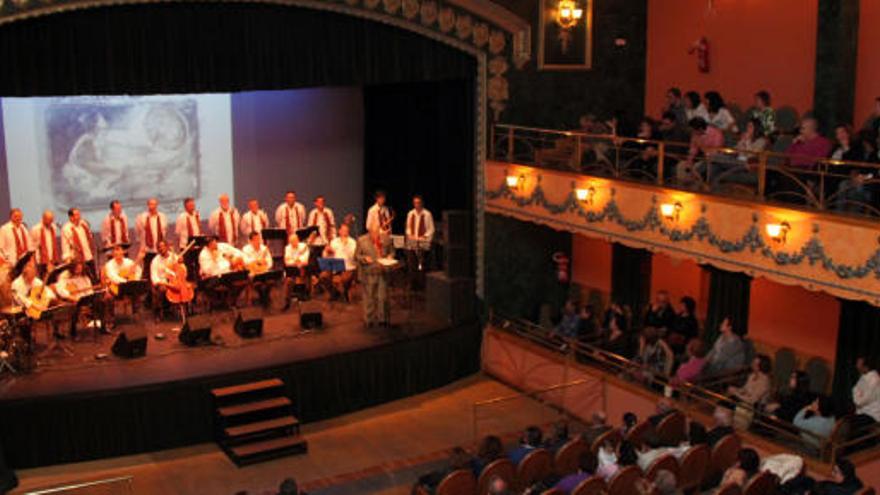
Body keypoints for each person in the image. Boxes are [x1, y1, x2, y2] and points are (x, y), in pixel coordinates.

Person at [355, 225, 392, 325]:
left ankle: (383, 319)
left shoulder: (386, 239)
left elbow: (392, 252)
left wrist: (390, 256)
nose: (376, 235)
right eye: (374, 233)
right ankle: (369, 319)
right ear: (369, 232)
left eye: (377, 233)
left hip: (382, 271)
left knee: (382, 297)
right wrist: (364, 258)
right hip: (369, 272)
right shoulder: (362, 240)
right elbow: (357, 256)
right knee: (369, 297)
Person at [677, 117, 724, 185]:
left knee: (697, 168)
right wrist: (689, 162)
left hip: (714, 159)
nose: (692, 132)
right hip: (701, 158)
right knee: (681, 165)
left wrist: (702, 148)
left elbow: (715, 152)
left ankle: (698, 189)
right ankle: (682, 188)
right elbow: (693, 149)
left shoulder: (716, 133)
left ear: (700, 129)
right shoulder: (695, 134)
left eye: (693, 130)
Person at [320, 223, 357, 302]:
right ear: (339, 231)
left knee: (344, 279)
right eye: (343, 230)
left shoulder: (352, 242)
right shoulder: (334, 241)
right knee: (323, 276)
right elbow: (325, 256)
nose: (344, 232)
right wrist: (327, 252)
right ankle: (334, 293)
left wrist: (345, 245)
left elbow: (353, 256)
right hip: (335, 266)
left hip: (348, 266)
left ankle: (345, 292)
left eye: (346, 231)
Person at [135, 198, 168, 280]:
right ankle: (149, 292)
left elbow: (164, 231)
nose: (152, 206)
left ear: (157, 205)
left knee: (161, 271)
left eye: (154, 204)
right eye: (150, 204)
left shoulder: (162, 216)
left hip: (160, 250)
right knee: (147, 272)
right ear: (147, 205)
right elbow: (138, 232)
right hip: (148, 250)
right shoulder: (142, 217)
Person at [61, 208, 96, 282]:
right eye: (76, 215)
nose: (79, 216)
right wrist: (68, 259)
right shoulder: (66, 229)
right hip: (78, 259)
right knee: (84, 279)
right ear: (71, 217)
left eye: (79, 214)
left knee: (94, 278)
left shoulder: (83, 224)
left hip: (88, 256)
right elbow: (65, 246)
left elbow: (89, 237)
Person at [242, 232, 274, 308]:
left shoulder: (264, 248)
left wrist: (265, 264)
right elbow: (246, 262)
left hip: (263, 271)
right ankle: (263, 299)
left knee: (270, 280)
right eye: (255, 239)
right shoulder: (246, 249)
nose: (258, 241)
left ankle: (264, 298)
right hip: (253, 273)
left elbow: (270, 262)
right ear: (250, 241)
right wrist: (258, 261)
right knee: (258, 282)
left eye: (259, 239)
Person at [149, 240, 178, 316]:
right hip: (162, 282)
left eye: (163, 246)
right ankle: (161, 311)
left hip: (174, 280)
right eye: (159, 247)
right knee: (163, 289)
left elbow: (179, 269)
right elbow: (154, 277)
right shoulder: (155, 261)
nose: (161, 249)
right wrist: (164, 283)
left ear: (167, 247)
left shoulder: (174, 256)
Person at [851, 356, 880, 430]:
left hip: (871, 415)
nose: (856, 366)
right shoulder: (863, 377)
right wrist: (857, 392)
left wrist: (857, 392)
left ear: (866, 367)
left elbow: (860, 401)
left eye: (858, 364)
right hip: (862, 414)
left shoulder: (874, 380)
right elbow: (856, 390)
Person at [283, 232, 310, 307]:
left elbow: (305, 260)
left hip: (303, 268)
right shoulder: (287, 248)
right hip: (292, 269)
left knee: (302, 271)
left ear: (298, 240)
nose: (293, 243)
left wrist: (297, 261)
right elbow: (287, 262)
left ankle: (303, 295)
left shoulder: (304, 246)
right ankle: (287, 300)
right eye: (291, 242)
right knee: (289, 280)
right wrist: (296, 261)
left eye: (295, 241)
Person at [30, 210, 61, 278]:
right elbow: (32, 246)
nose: (51, 222)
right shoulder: (36, 229)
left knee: (53, 280)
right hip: (41, 261)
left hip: (53, 259)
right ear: (43, 218)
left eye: (52, 220)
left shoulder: (53, 228)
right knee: (43, 281)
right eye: (49, 220)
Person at [307, 195, 336, 262]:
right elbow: (310, 227)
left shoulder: (328, 212)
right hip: (315, 240)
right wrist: (310, 240)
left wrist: (333, 237)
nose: (321, 203)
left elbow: (332, 225)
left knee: (325, 259)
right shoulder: (313, 213)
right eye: (319, 202)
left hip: (326, 240)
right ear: (315, 203)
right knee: (315, 259)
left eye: (322, 202)